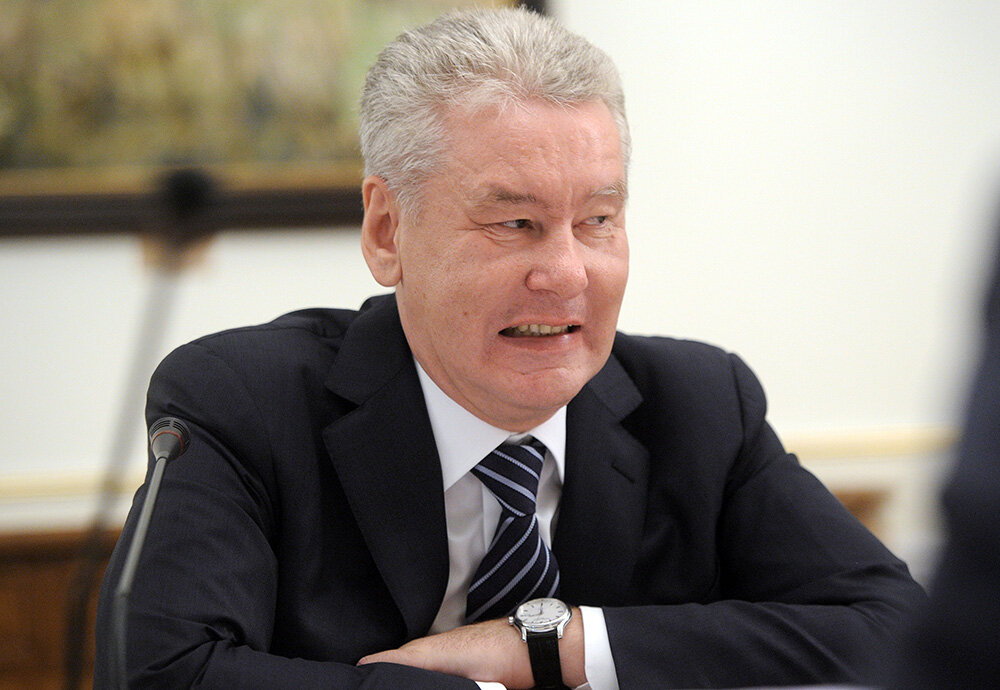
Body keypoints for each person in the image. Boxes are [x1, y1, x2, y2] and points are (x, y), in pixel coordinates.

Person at [95, 7, 925, 689]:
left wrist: (549, 646)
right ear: (387, 232)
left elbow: (897, 627)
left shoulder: (702, 406)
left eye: (597, 220)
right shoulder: (243, 402)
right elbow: (160, 672)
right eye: (515, 223)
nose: (566, 274)